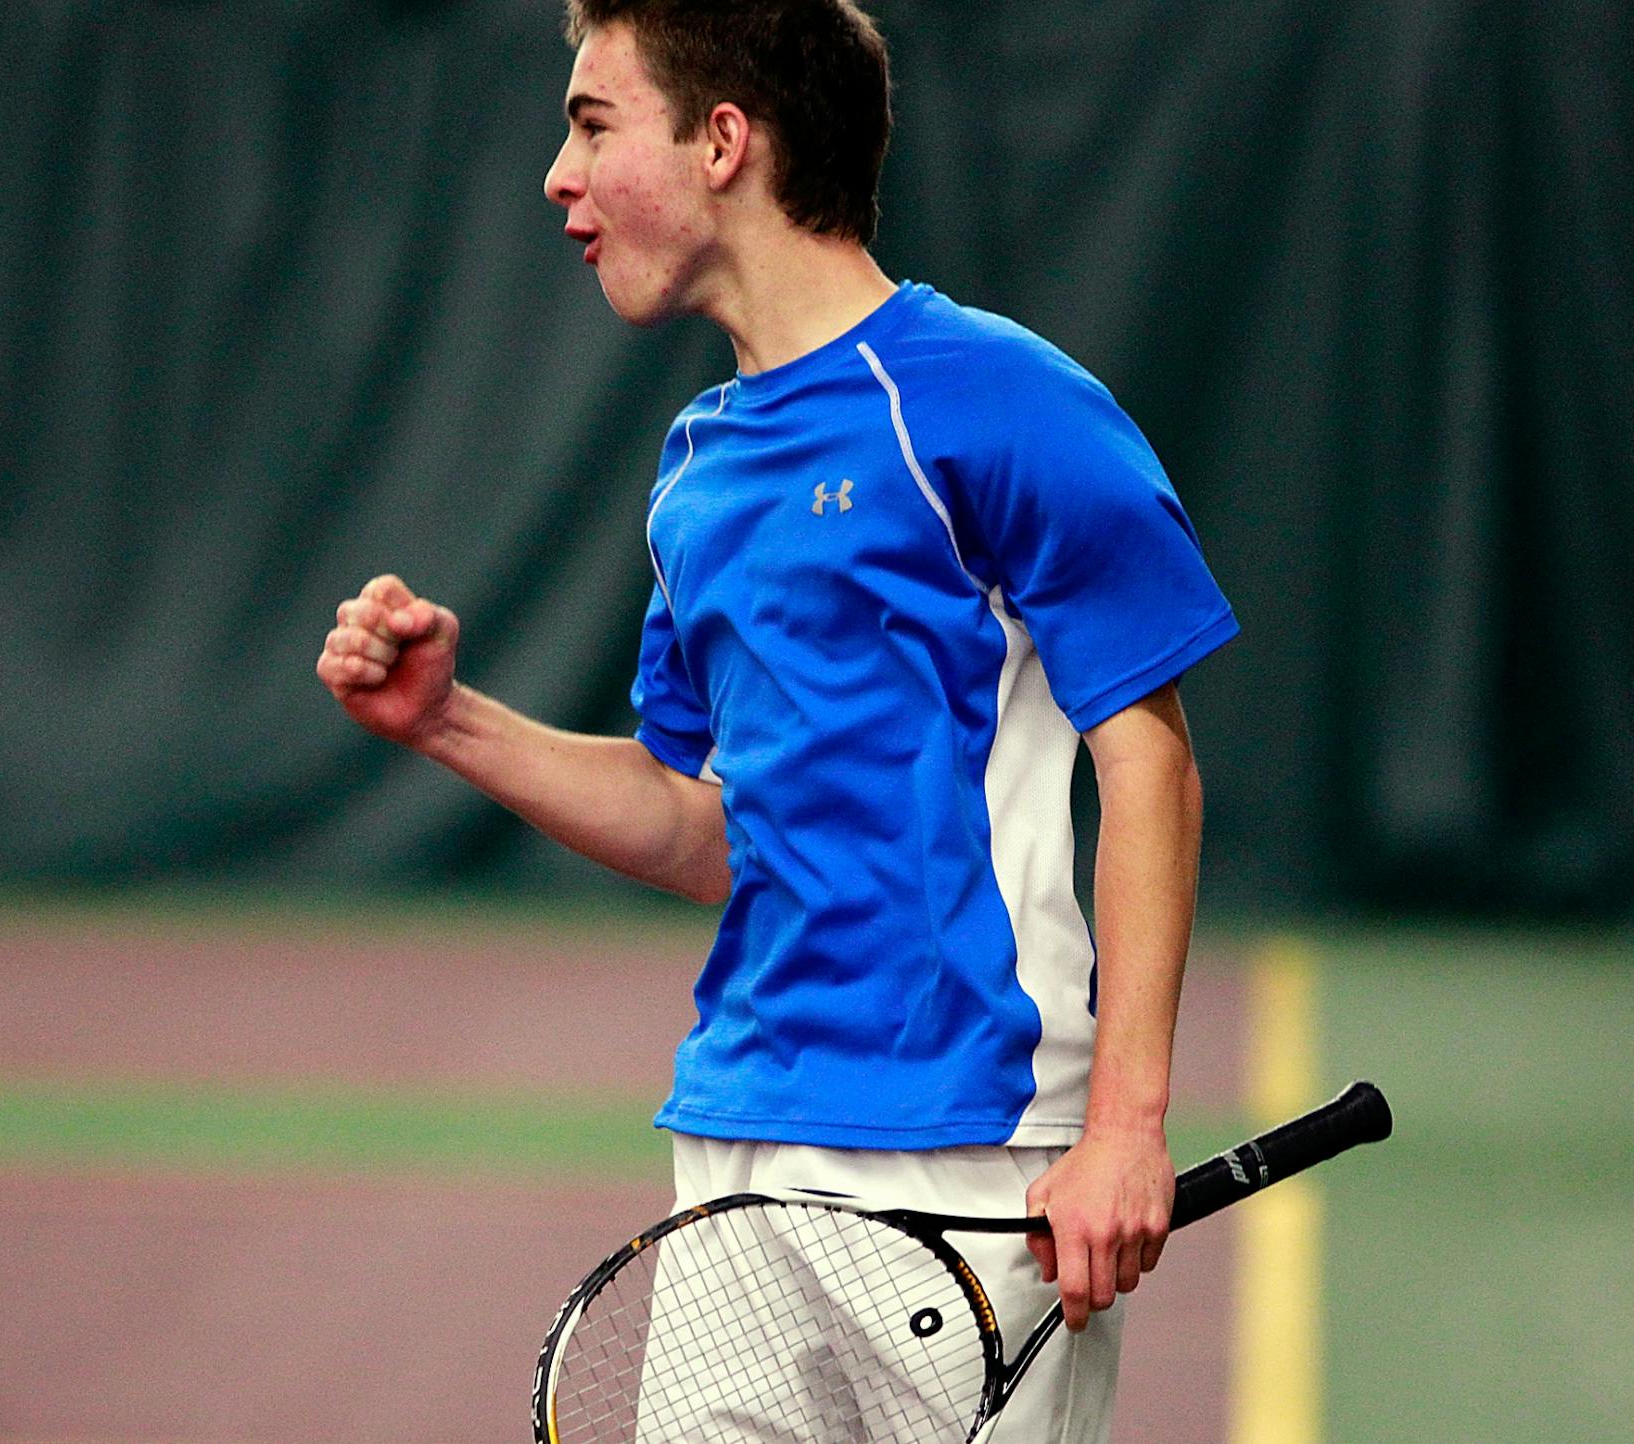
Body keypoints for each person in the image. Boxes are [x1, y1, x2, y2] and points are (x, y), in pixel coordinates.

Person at [317, 1, 1237, 1437]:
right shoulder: (700, 471)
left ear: (724, 140)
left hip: (982, 1157)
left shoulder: (1007, 407)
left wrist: (1124, 1125)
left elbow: (1151, 767)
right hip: (737, 1157)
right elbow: (713, 832)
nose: (558, 178)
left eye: (591, 124)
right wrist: (449, 726)